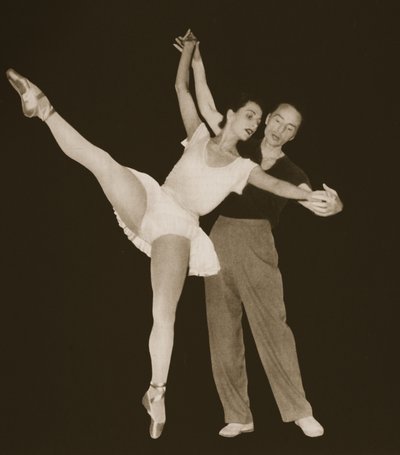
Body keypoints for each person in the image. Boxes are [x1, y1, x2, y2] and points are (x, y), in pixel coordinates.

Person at [6, 32, 328, 439]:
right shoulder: (197, 134)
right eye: (251, 116)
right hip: (153, 198)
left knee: (163, 311)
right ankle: (43, 107)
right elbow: (182, 88)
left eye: (258, 121)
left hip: (178, 226)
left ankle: (156, 392)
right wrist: (191, 53)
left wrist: (312, 195)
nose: (255, 125)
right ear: (229, 114)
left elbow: (281, 187)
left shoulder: (241, 169)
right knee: (103, 163)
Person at [174, 33, 343, 438]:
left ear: (293, 136)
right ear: (264, 120)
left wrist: (335, 205)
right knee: (222, 328)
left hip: (258, 244)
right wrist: (196, 62)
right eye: (277, 122)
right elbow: (208, 104)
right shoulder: (240, 142)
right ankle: (238, 415)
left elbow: (312, 201)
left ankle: (299, 409)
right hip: (216, 240)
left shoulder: (293, 172)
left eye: (290, 129)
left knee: (273, 325)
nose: (281, 131)